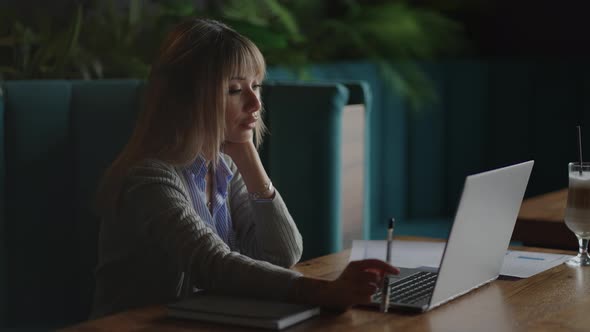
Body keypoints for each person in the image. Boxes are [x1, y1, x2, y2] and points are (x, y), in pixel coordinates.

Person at [91, 18, 398, 318]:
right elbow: (211, 263)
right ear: (188, 98)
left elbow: (283, 254)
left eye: (256, 86)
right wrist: (324, 292)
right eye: (235, 90)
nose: (255, 103)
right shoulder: (149, 178)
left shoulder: (224, 166)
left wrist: (247, 154)